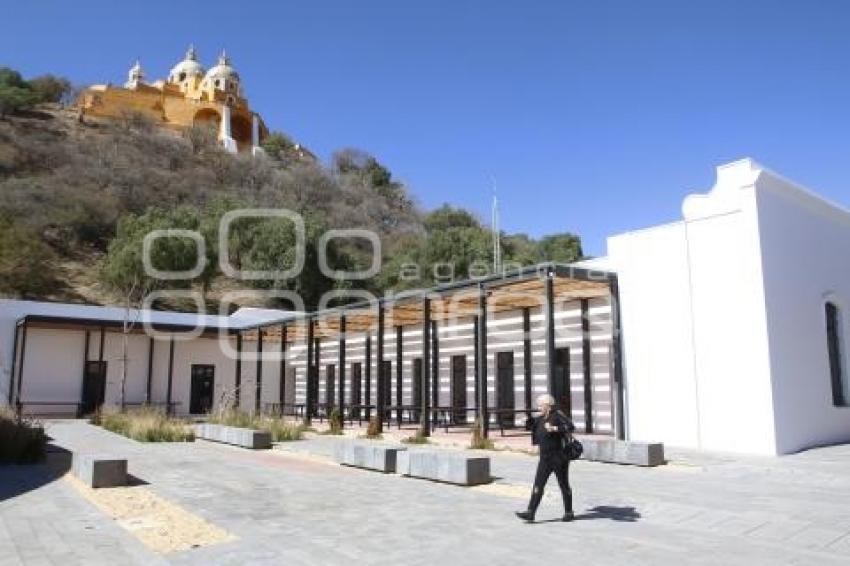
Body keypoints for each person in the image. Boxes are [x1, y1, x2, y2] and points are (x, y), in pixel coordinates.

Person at [515, 393, 575, 523]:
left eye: (541, 405)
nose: (539, 407)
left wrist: (555, 428)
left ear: (548, 405)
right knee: (538, 485)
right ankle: (530, 512)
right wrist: (526, 419)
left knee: (563, 484)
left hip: (559, 458)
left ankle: (569, 512)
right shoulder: (540, 418)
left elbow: (570, 426)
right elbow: (532, 425)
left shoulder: (558, 416)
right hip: (545, 458)